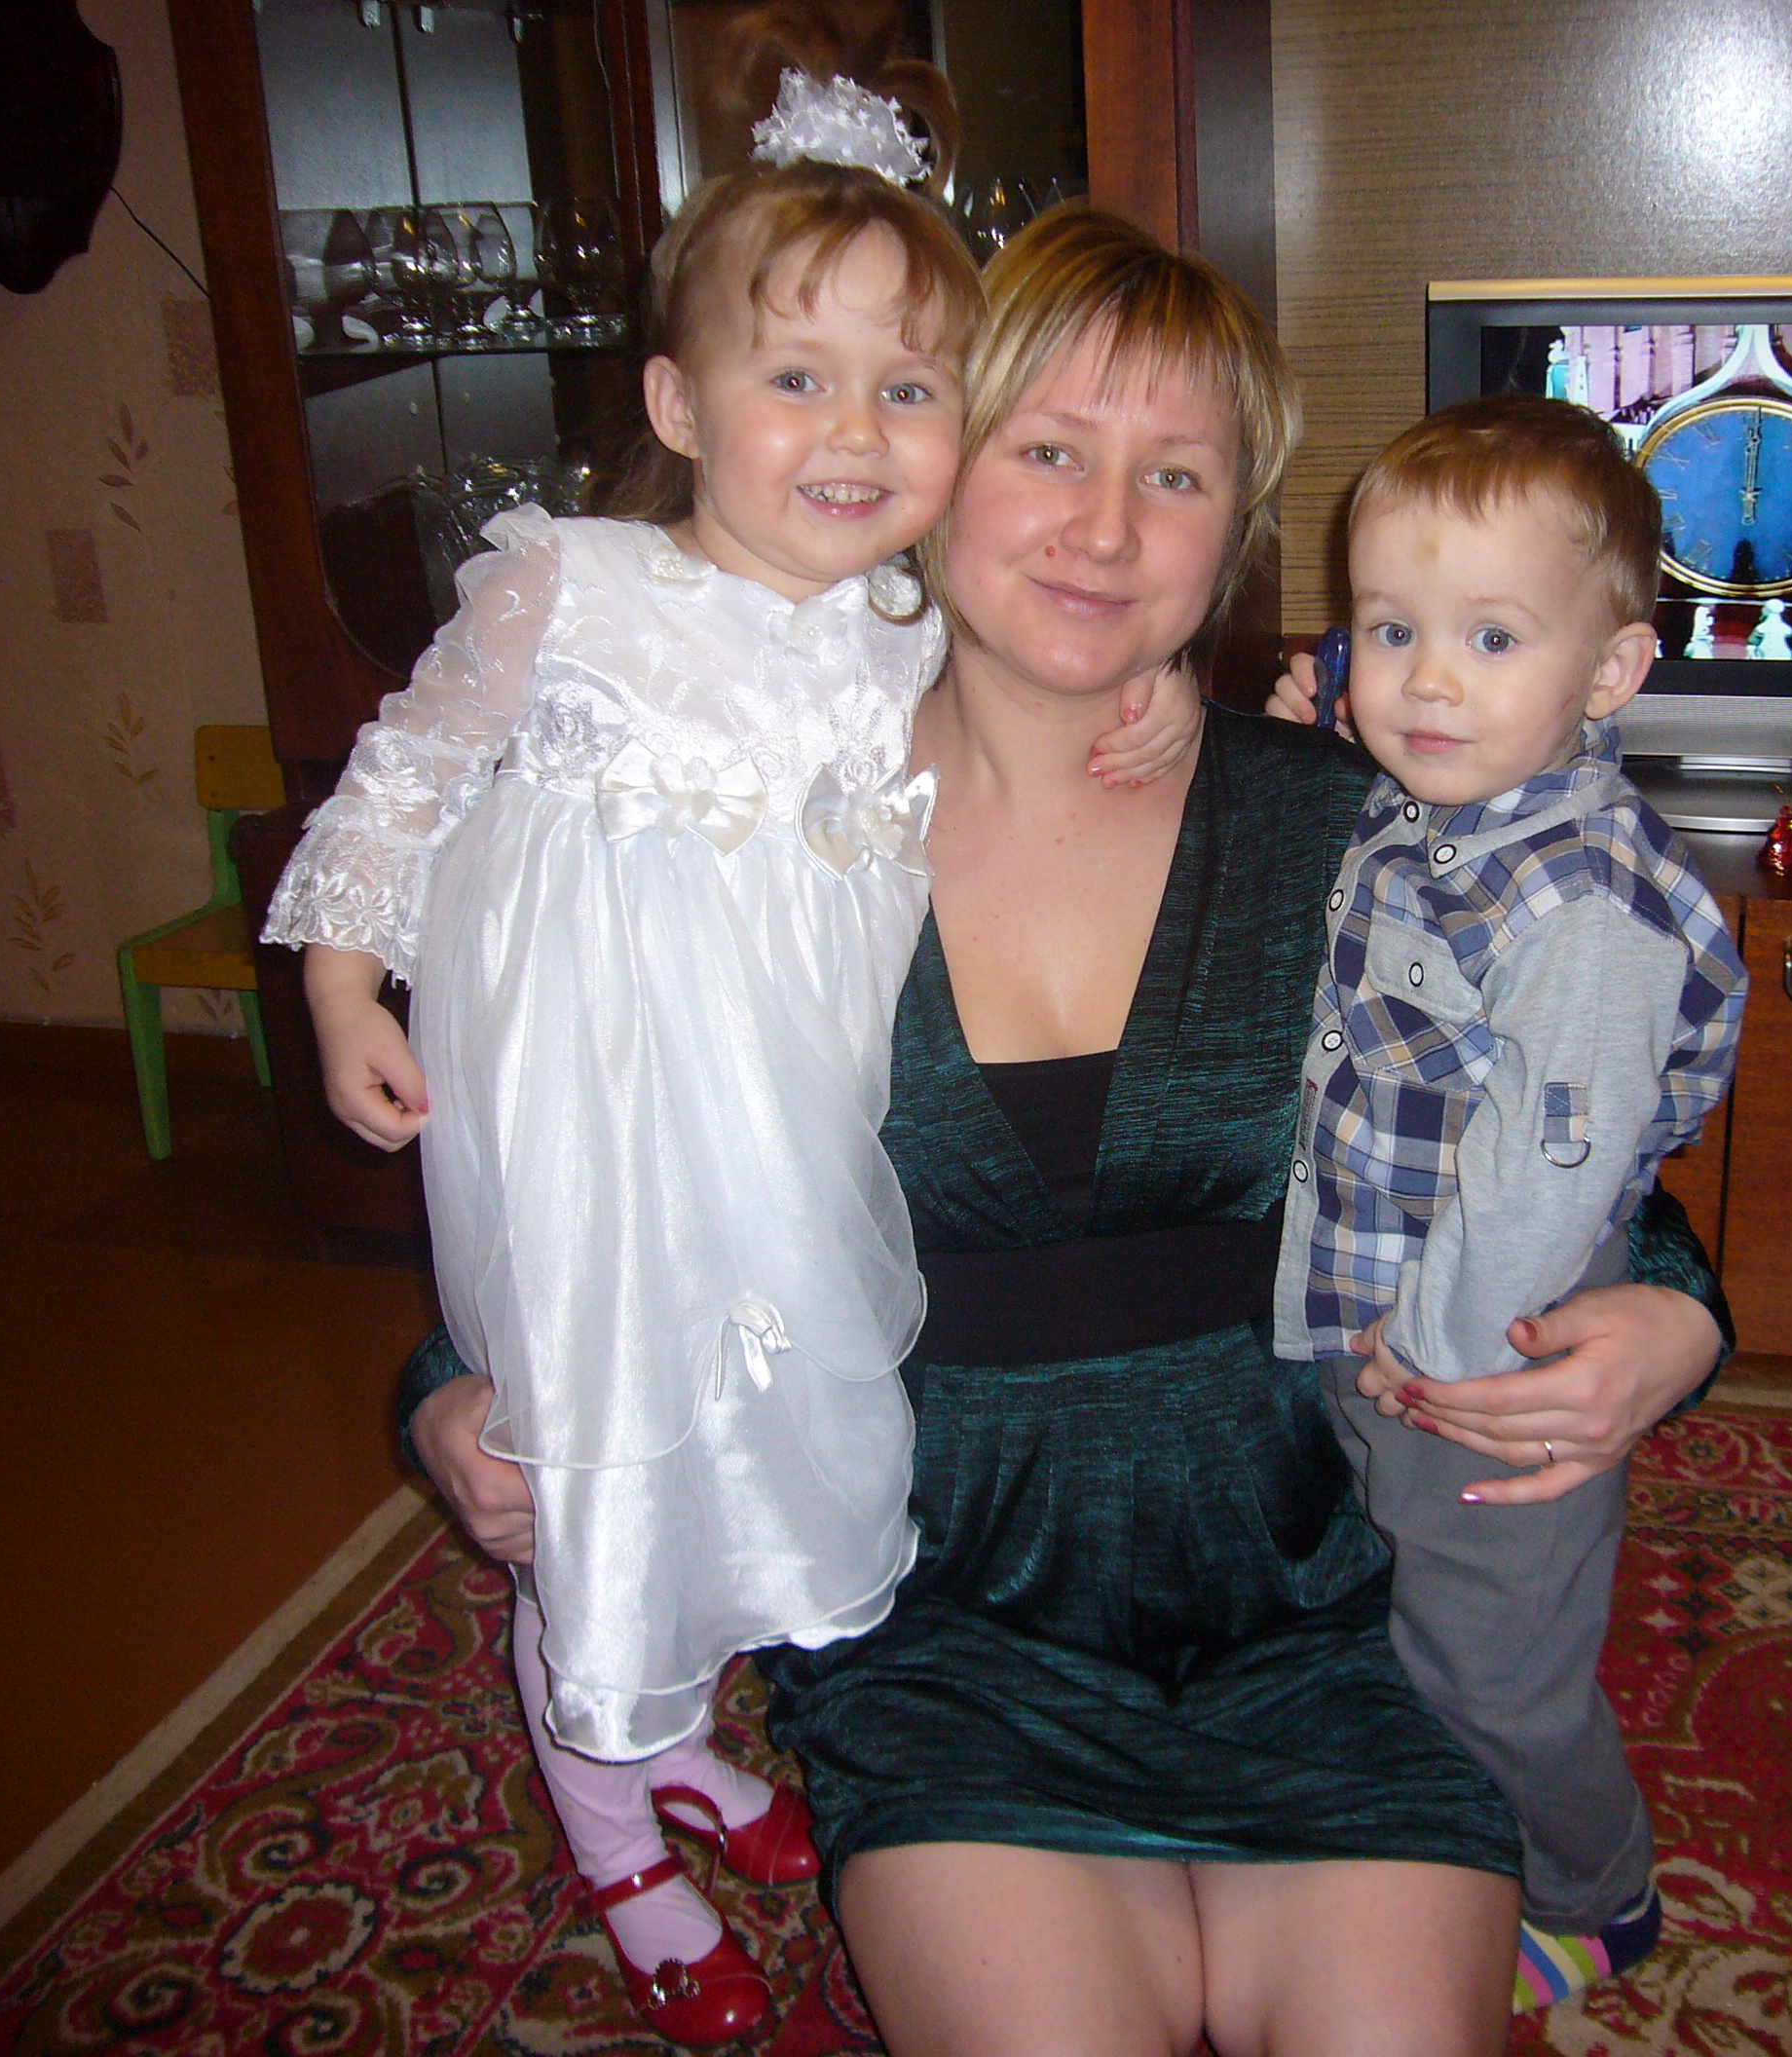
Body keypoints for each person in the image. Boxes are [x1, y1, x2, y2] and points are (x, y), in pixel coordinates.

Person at [407, 207, 1732, 2056]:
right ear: (936, 456)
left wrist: (1678, 1312)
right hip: (943, 1620)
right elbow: (566, 1134)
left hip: (1340, 1604)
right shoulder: (744, 828)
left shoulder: (1356, 824)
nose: (1106, 530)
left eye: (1175, 476)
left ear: (1235, 527)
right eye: (1047, 450)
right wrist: (453, 1385)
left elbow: (1565, 1117)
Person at [263, 80, 1199, 2044]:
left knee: (756, 1434)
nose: (856, 434)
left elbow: (1072, 655)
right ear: (678, 405)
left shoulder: (900, 632)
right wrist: (347, 983)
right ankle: (615, 1822)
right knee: (605, 1457)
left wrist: (1165, 690)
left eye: (908, 391)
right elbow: (408, 771)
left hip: (781, 1128)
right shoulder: (577, 585)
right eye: (796, 379)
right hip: (592, 1123)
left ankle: (686, 1733)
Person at [1266, 392, 1745, 2006]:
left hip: (1483, 1352)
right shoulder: (1445, 805)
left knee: (1498, 1657)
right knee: (1414, 1618)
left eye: (1490, 638)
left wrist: (1443, 1358)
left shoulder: (1580, 901)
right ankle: (1437, 1826)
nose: (1426, 681)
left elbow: (1546, 1179)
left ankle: (1593, 1893)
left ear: (1611, 671)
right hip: (1389, 1305)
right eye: (1391, 631)